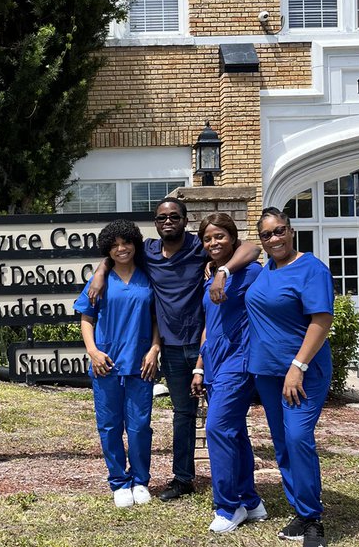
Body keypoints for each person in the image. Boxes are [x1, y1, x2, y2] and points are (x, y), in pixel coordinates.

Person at [89, 196, 260, 501]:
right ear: (155, 224)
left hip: (204, 344)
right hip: (169, 348)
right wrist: (101, 272)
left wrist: (222, 271)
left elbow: (252, 247)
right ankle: (183, 478)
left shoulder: (199, 246)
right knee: (183, 413)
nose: (167, 222)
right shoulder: (149, 252)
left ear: (185, 221)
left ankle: (240, 484)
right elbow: (116, 251)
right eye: (161, 218)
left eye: (174, 217)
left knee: (226, 414)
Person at [245, 207, 334, 547]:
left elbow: (321, 319)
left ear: (291, 230)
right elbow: (241, 252)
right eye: (267, 235)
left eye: (280, 231)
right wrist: (219, 270)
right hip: (267, 373)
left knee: (298, 438)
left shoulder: (311, 268)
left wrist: (297, 365)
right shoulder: (265, 270)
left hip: (302, 373)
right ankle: (300, 511)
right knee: (282, 443)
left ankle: (313, 519)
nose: (274, 239)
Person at [75, 220, 161, 508]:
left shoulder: (148, 277)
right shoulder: (100, 279)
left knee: (139, 426)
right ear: (107, 250)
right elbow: (86, 318)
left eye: (125, 243)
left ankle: (140, 480)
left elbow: (156, 317)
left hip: (141, 363)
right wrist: (93, 351)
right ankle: (118, 482)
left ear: (135, 243)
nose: (121, 249)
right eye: (114, 245)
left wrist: (155, 348)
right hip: (106, 362)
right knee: (110, 425)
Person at [190, 212, 267, 533]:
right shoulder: (209, 275)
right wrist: (198, 365)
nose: (213, 243)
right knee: (234, 432)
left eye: (220, 236)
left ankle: (228, 506)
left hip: (239, 361)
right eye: (207, 238)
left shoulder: (247, 271)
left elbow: (254, 247)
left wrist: (223, 271)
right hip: (214, 362)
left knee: (217, 429)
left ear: (232, 238)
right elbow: (211, 323)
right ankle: (250, 501)